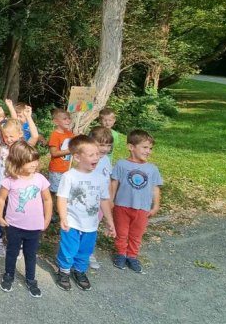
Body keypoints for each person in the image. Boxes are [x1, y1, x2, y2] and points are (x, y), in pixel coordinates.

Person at [55, 135, 117, 292]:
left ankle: (80, 271)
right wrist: (63, 217)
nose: (96, 157)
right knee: (69, 249)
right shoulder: (69, 177)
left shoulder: (101, 178)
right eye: (91, 155)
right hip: (72, 222)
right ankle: (64, 271)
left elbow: (104, 201)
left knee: (85, 250)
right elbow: (62, 198)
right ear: (77, 157)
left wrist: (109, 220)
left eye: (97, 154)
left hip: (91, 224)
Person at [0, 141, 52, 298]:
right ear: (18, 162)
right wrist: (0, 216)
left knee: (31, 254)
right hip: (14, 225)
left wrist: (47, 219)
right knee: (12, 252)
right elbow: (1, 199)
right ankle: (9, 275)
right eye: (30, 161)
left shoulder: (40, 179)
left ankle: (31, 279)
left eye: (35, 160)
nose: (35, 164)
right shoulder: (9, 180)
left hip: (34, 227)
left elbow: (47, 200)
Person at [111, 129, 162, 273]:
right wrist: (110, 200)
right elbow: (114, 183)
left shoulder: (152, 169)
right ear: (131, 147)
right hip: (122, 206)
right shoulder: (121, 164)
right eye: (145, 147)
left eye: (150, 148)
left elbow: (155, 188)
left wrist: (156, 205)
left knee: (136, 234)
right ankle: (121, 253)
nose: (148, 151)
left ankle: (132, 256)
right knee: (121, 232)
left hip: (142, 208)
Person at [0, 117, 39, 257]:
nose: (8, 139)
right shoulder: (1, 147)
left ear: (20, 134)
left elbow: (35, 136)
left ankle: (18, 244)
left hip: (18, 188)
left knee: (18, 214)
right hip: (1, 187)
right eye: (5, 136)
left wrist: (29, 117)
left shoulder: (22, 149)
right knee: (0, 214)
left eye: (11, 136)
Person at [88, 125, 114, 269]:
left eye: (108, 145)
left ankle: (88, 252)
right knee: (80, 228)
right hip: (87, 202)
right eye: (101, 144)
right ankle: (75, 253)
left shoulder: (106, 160)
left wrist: (110, 198)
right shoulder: (87, 159)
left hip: (101, 203)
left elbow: (108, 179)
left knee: (93, 228)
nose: (105, 148)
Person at [47, 108, 76, 199]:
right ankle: (52, 208)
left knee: (64, 191)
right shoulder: (55, 135)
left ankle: (60, 209)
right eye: (64, 119)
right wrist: (69, 151)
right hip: (56, 169)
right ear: (56, 122)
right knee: (55, 191)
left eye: (69, 118)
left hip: (67, 169)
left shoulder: (70, 134)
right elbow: (54, 153)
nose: (68, 120)